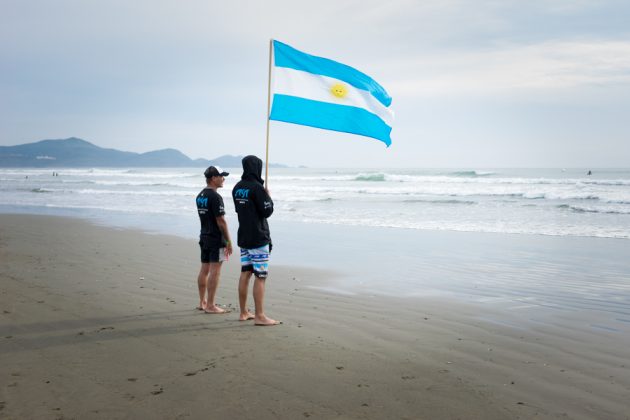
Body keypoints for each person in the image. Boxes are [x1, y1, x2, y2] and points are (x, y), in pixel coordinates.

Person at [232, 155, 280, 326]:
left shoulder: (237, 188)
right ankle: (260, 315)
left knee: (245, 272)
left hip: (244, 236)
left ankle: (244, 312)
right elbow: (267, 212)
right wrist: (268, 196)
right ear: (257, 168)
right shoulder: (257, 188)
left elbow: (241, 210)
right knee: (260, 276)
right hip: (258, 237)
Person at [195, 166, 233, 314]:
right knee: (215, 272)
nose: (223, 178)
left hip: (204, 236)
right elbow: (221, 221)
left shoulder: (200, 195)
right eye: (221, 176)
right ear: (212, 178)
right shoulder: (215, 197)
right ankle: (210, 305)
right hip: (216, 238)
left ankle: (202, 301)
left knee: (204, 269)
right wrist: (229, 241)